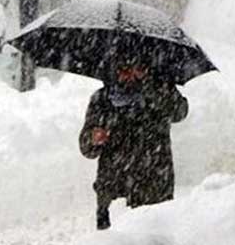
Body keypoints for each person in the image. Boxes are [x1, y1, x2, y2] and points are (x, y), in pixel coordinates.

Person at [79, 58, 188, 230]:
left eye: (136, 69)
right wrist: (93, 139)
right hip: (113, 189)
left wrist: (149, 86)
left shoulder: (160, 90)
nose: (128, 75)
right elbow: (86, 148)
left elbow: (180, 112)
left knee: (153, 238)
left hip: (154, 186)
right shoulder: (102, 99)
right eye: (123, 69)